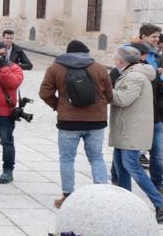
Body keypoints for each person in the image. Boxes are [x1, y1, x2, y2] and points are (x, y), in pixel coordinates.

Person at [39, 39, 113, 208]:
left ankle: (67, 195)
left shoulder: (55, 68)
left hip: (68, 121)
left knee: (66, 159)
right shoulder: (99, 67)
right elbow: (109, 94)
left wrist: (58, 105)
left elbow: (44, 93)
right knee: (96, 157)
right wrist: (99, 107)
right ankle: (102, 194)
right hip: (96, 121)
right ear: (86, 52)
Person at [109, 45, 163, 222]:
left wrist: (105, 91)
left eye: (115, 58)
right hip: (125, 127)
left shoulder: (135, 76)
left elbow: (123, 99)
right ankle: (126, 205)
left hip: (132, 129)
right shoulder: (132, 73)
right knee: (121, 168)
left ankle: (160, 203)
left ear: (121, 61)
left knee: (132, 167)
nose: (114, 61)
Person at [129, 23, 163, 198]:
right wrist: (158, 75)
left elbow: (159, 82)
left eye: (158, 36)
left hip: (156, 111)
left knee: (157, 151)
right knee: (125, 152)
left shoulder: (157, 55)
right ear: (143, 37)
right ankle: (119, 182)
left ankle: (158, 186)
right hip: (137, 112)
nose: (157, 39)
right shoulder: (131, 52)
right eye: (154, 36)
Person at [0, 41, 25, 184]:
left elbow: (13, 83)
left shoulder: (14, 68)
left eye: (2, 54)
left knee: (7, 143)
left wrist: (3, 68)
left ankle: (8, 171)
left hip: (5, 113)